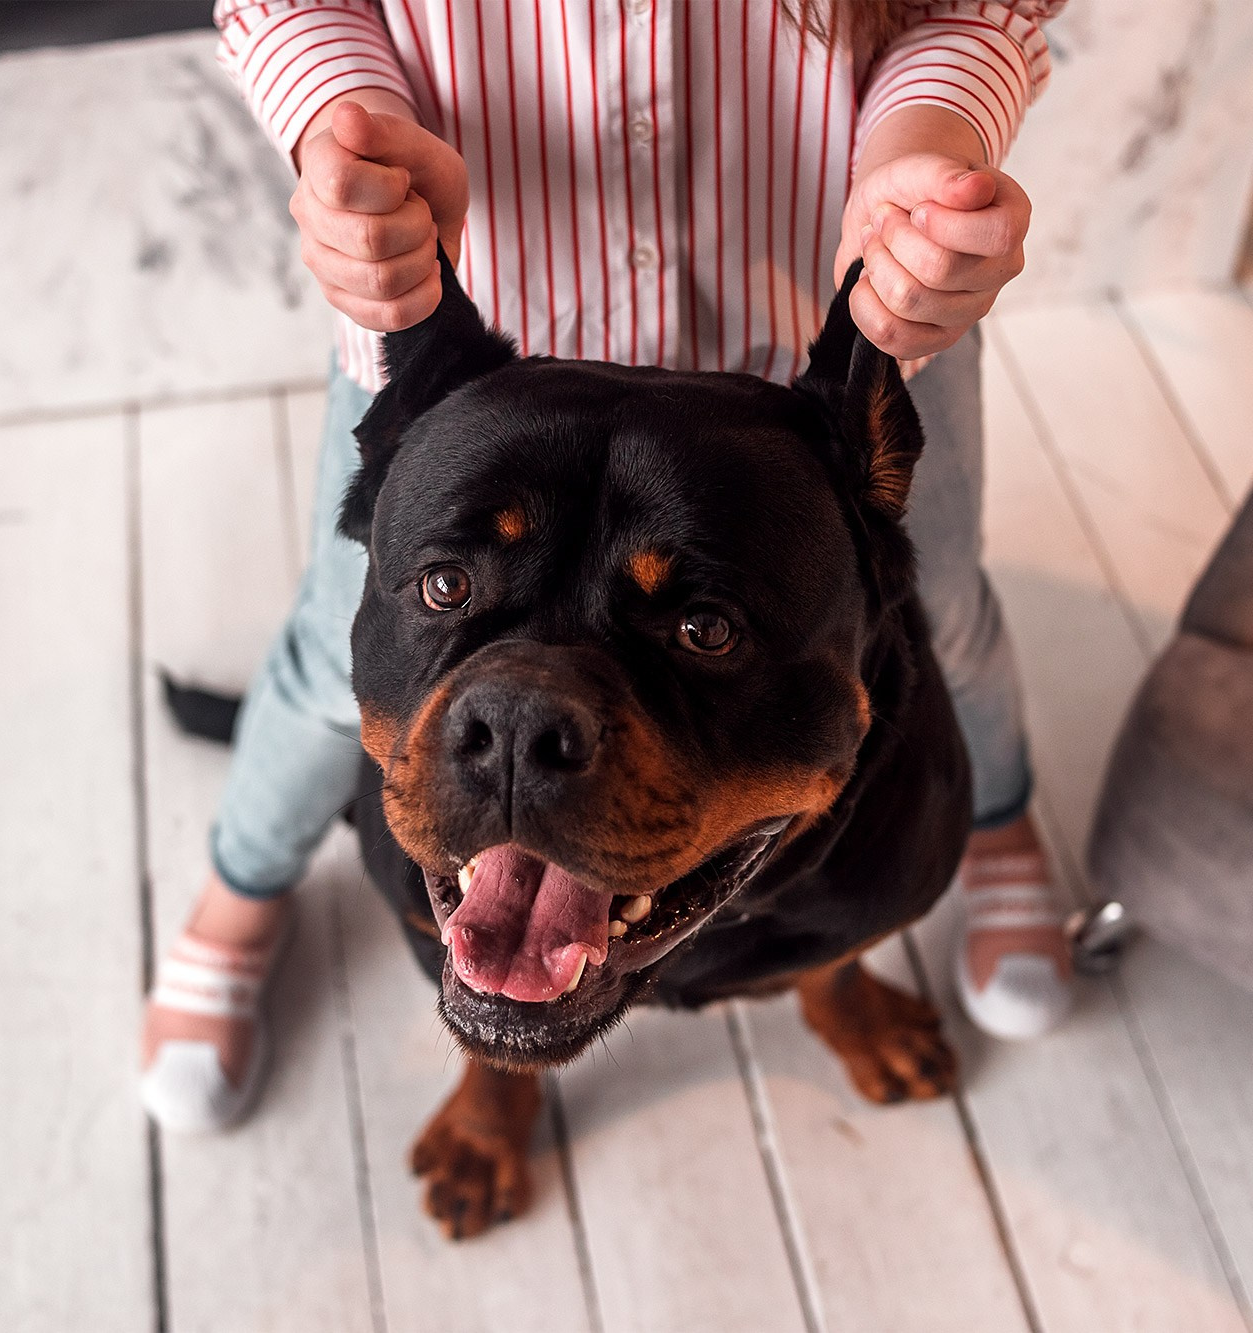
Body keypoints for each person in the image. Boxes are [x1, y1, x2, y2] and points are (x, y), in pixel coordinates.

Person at [142, 0, 1075, 1132]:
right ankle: (242, 889)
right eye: (448, 589)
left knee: (950, 615)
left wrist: (929, 150)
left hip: (857, 301)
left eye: (702, 629)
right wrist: (346, 120)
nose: (525, 727)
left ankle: (991, 827)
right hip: (450, 328)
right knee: (316, 660)